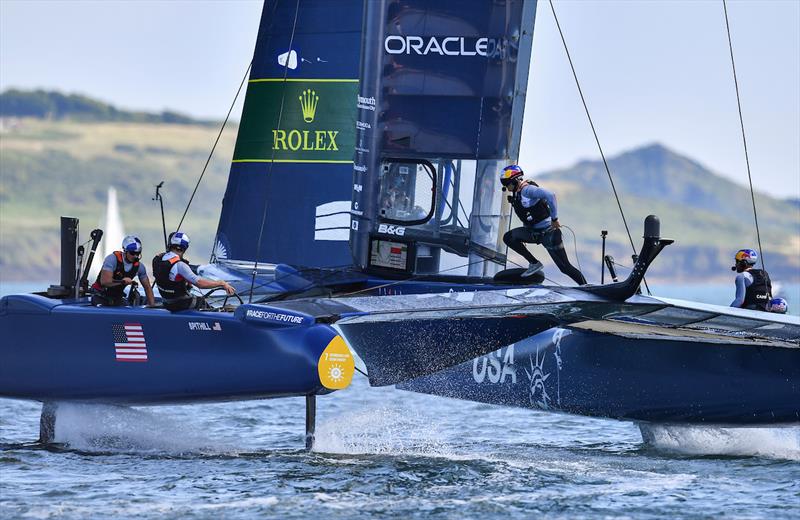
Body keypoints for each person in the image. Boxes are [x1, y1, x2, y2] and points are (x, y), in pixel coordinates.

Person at [500, 165, 587, 284]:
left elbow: (550, 195)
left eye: (506, 183)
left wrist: (554, 218)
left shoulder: (527, 190)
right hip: (533, 233)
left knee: (565, 268)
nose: (506, 187)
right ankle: (534, 263)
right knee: (508, 237)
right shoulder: (517, 194)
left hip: (549, 233)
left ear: (515, 180)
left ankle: (586, 287)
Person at [152, 231, 235, 312]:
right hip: (178, 304)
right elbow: (199, 283)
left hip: (166, 303)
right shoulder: (180, 265)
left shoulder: (157, 259)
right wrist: (221, 283)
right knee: (202, 302)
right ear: (185, 248)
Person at [90, 235, 156, 306]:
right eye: (132, 253)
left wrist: (152, 305)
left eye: (138, 253)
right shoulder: (112, 259)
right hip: (99, 296)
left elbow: (147, 287)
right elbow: (105, 282)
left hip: (117, 298)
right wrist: (122, 282)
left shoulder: (140, 267)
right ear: (125, 251)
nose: (135, 256)